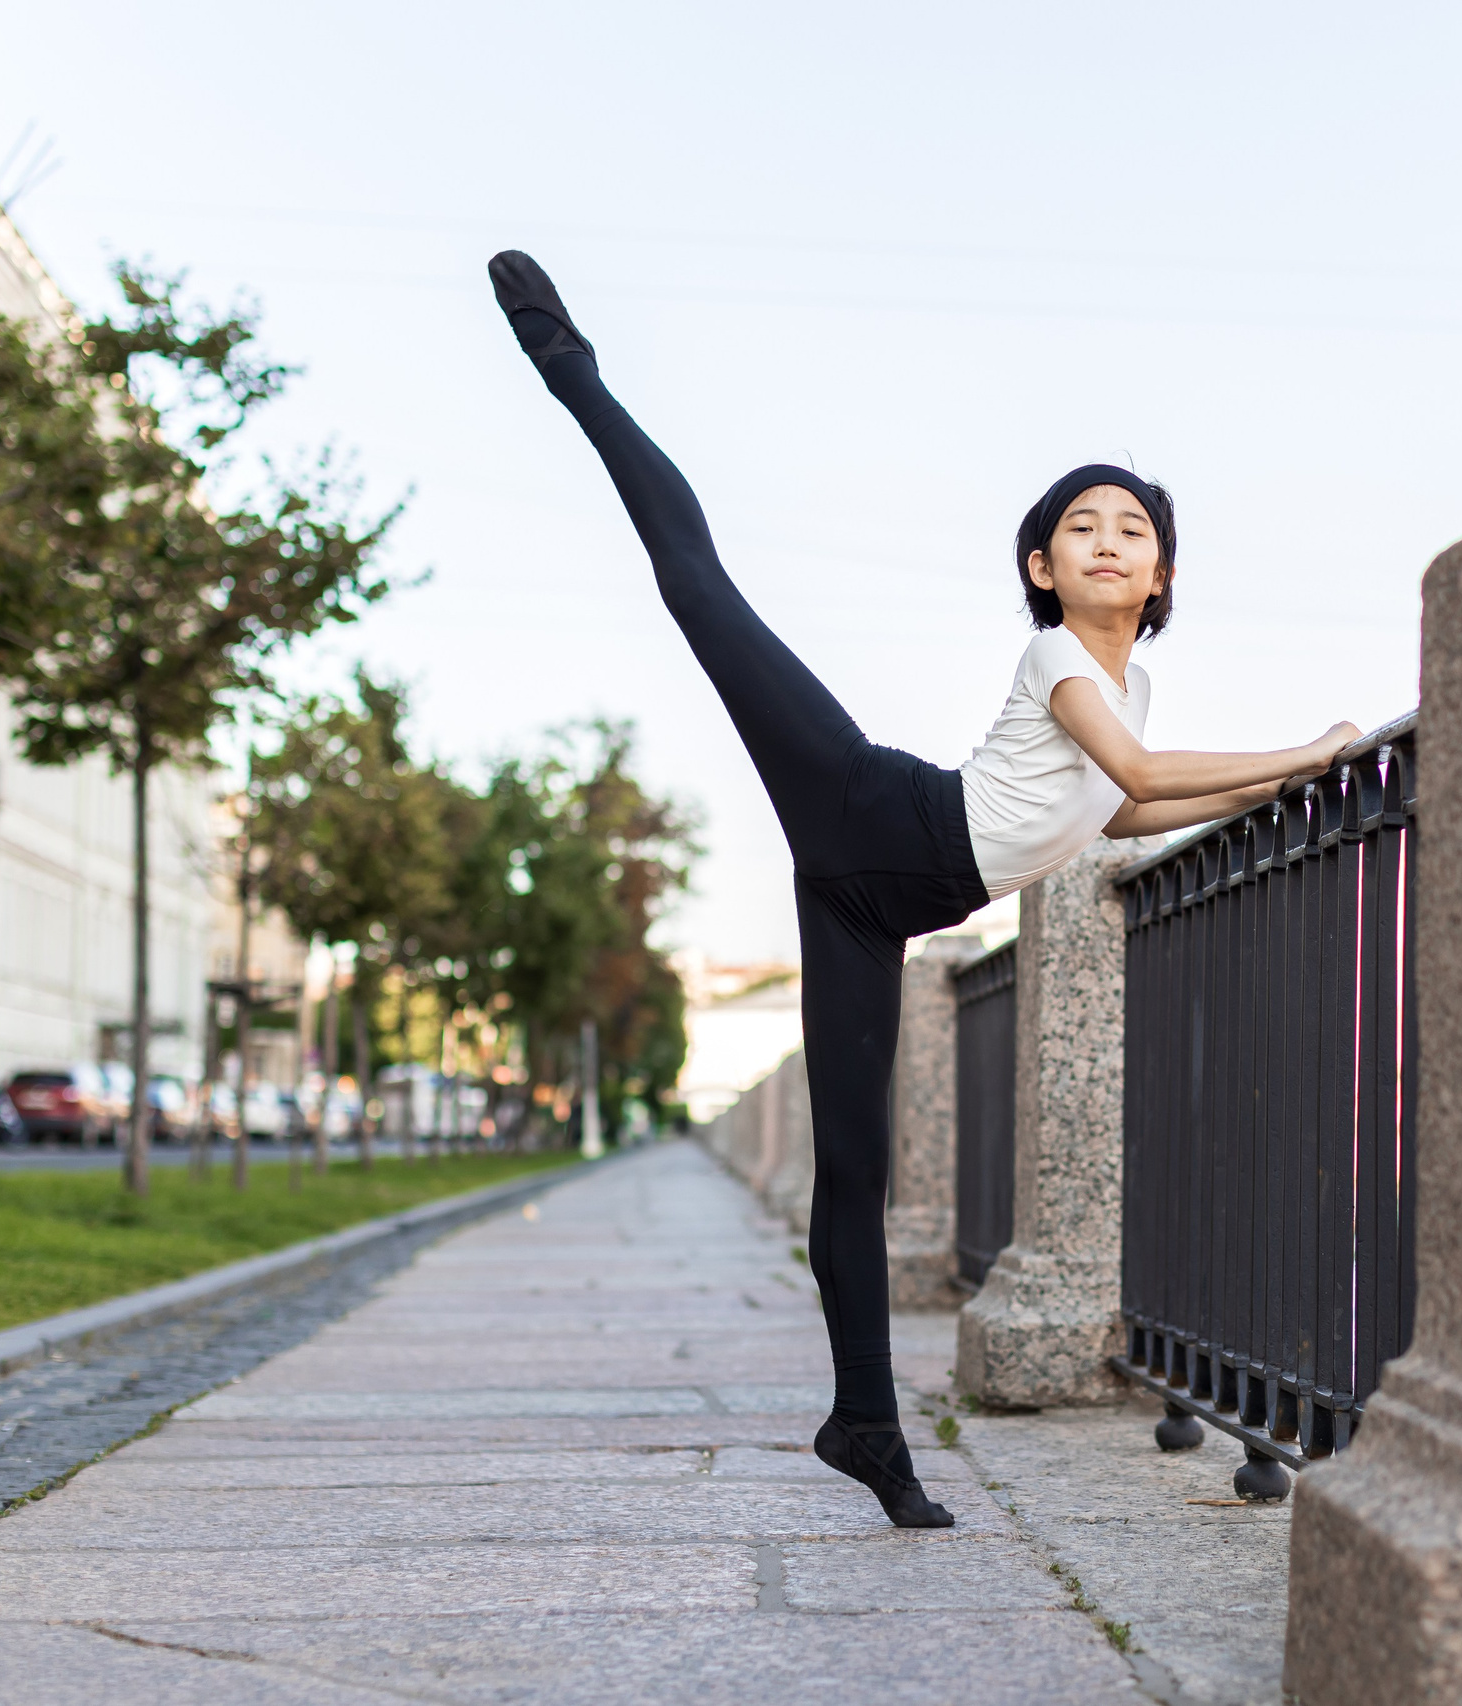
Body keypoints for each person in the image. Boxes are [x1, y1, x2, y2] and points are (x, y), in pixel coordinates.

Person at [489, 253, 1361, 1528]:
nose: (1109, 542)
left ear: (1162, 574)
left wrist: (1260, 796)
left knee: (854, 1165)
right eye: (1083, 526)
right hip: (869, 811)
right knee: (700, 587)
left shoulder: (1136, 688)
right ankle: (574, 371)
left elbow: (1120, 808)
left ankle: (864, 1426)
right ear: (1041, 564)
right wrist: (1307, 752)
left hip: (878, 903)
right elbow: (1129, 771)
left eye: (1134, 530)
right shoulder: (1058, 651)